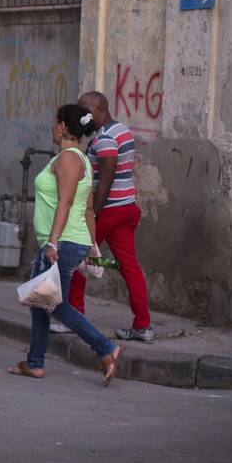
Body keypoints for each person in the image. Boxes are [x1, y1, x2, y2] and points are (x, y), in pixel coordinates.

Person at [8, 104, 122, 386]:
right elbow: (87, 209)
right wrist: (92, 247)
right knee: (40, 300)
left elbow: (67, 203)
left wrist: (54, 242)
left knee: (56, 305)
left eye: (53, 122)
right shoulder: (78, 158)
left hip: (62, 242)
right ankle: (34, 363)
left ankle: (106, 349)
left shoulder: (69, 159)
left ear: (61, 127)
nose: (51, 127)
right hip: (71, 241)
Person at [69, 91, 153, 342]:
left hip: (109, 210)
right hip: (126, 206)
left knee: (75, 258)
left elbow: (105, 181)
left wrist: (93, 215)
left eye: (85, 112)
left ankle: (75, 318)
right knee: (129, 266)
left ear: (99, 110)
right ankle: (142, 326)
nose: (82, 116)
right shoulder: (121, 130)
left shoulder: (105, 139)